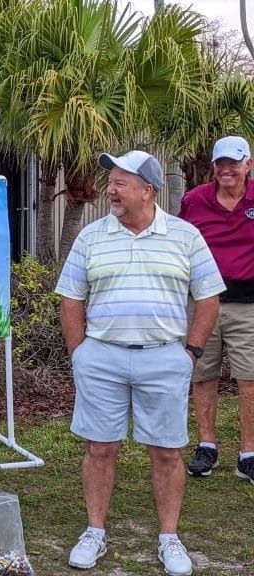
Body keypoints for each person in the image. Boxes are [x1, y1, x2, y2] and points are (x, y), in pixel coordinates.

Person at [55, 150, 224, 575]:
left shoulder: (185, 237)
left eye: (120, 183)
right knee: (99, 447)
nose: (110, 189)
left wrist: (192, 352)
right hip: (102, 358)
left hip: (164, 358)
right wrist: (81, 353)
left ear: (148, 191)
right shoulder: (91, 237)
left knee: (167, 452)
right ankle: (95, 531)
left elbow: (208, 297)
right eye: (111, 181)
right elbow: (71, 298)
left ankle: (169, 537)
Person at [179, 135, 254, 484]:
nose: (227, 169)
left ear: (247, 165)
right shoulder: (194, 200)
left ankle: (248, 454)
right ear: (214, 167)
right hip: (203, 302)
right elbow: (179, 246)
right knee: (202, 374)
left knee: (249, 377)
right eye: (221, 163)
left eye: (234, 163)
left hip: (248, 305)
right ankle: (206, 445)